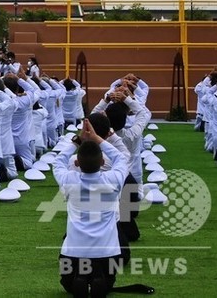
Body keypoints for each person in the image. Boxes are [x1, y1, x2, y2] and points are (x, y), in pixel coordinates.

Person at [53, 118, 129, 298]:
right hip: (107, 251)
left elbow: (58, 161)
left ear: (77, 164)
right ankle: (97, 278)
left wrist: (78, 141)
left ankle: (80, 279)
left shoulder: (69, 180)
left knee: (68, 285)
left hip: (73, 250)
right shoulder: (112, 180)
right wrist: (97, 139)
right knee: (107, 282)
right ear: (103, 162)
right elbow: (121, 157)